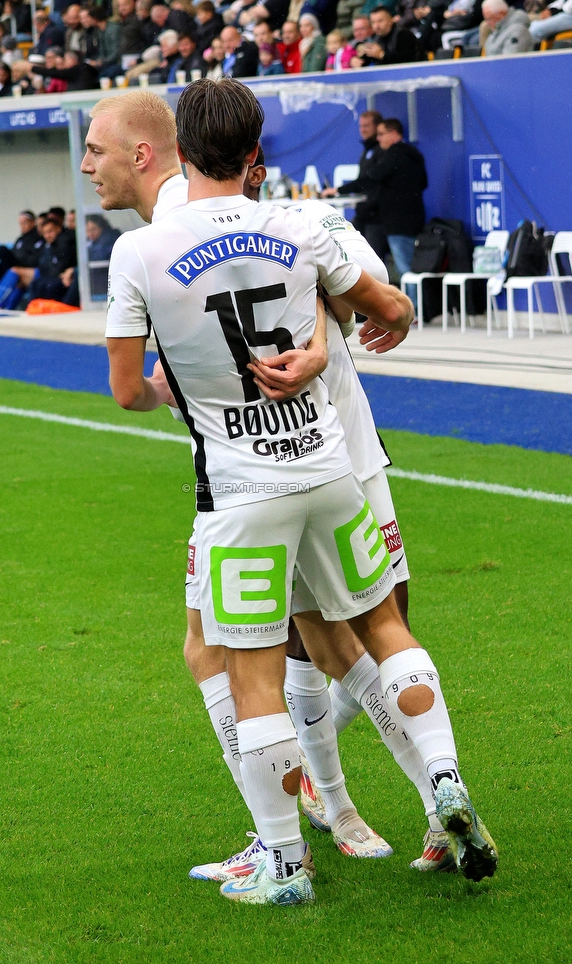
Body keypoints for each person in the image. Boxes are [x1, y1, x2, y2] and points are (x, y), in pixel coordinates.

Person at [99, 81, 497, 904]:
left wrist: (192, 387)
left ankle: (286, 844)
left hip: (257, 468)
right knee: (363, 628)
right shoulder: (287, 217)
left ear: (158, 151)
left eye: (97, 150)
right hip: (333, 460)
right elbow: (381, 297)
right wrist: (329, 338)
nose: (86, 166)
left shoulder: (158, 234)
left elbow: (130, 385)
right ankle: (424, 793)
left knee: (240, 652)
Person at [338, 117, 427, 278]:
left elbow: (371, 178)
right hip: (415, 218)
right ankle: (417, 302)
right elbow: (424, 183)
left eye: (381, 134)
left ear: (393, 133)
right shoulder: (415, 153)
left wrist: (339, 190)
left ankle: (411, 304)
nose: (378, 139)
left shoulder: (393, 154)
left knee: (405, 270)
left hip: (397, 222)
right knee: (413, 269)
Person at [322, 110, 387, 261]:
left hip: (376, 216)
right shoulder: (367, 150)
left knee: (374, 260)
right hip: (364, 213)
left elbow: (368, 180)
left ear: (377, 127)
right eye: (361, 126)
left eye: (367, 126)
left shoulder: (382, 151)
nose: (363, 130)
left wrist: (338, 190)